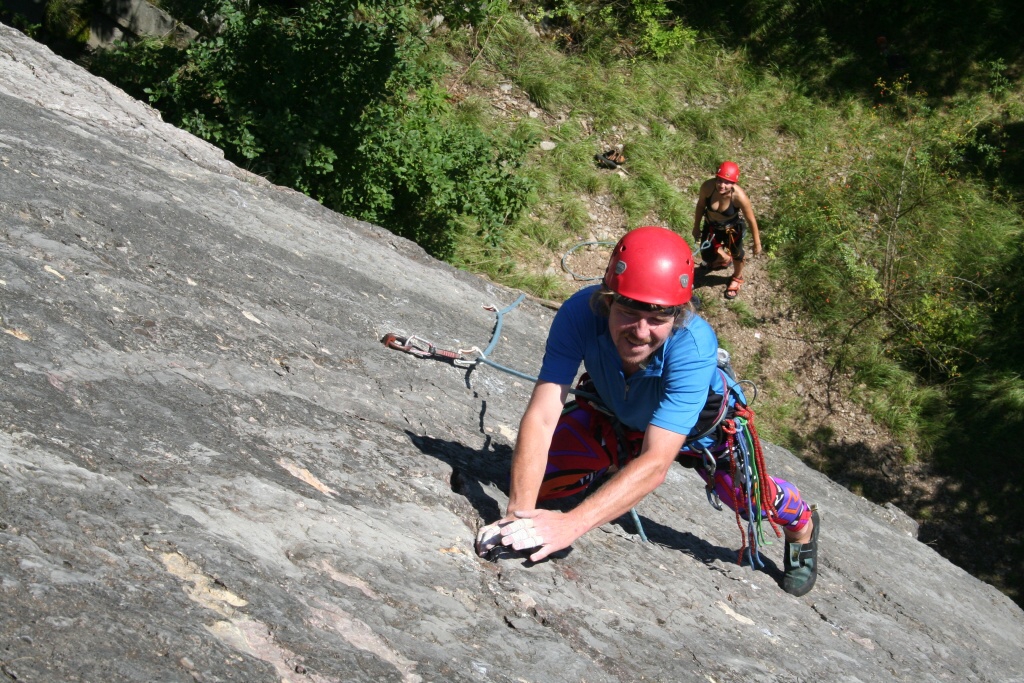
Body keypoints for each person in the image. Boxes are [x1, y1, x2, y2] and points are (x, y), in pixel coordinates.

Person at [475, 226, 820, 596]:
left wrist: (570, 525)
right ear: (608, 300)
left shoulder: (693, 345)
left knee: (751, 503)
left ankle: (801, 522)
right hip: (615, 410)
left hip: (699, 432)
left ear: (679, 312)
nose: (641, 331)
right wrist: (518, 516)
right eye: (629, 311)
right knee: (542, 484)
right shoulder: (580, 313)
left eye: (658, 317)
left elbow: (657, 462)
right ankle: (611, 469)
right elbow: (543, 415)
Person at [692, 161, 762, 300]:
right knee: (706, 256)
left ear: (734, 183)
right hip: (711, 225)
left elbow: (751, 219)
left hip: (732, 229)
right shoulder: (708, 187)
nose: (721, 185)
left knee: (737, 254)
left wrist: (757, 242)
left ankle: (737, 277)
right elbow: (700, 206)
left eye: (727, 182)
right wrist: (696, 226)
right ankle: (724, 259)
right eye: (719, 180)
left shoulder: (739, 197)